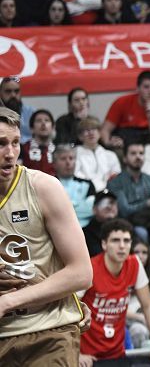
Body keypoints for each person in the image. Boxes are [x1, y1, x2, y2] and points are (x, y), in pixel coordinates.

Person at [0, 106, 92, 363]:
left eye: (16, 143)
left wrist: (9, 302)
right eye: (1, 144)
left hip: (48, 330)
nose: (10, 154)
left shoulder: (43, 187)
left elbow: (82, 273)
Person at [79, 218, 150, 367]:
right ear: (104, 244)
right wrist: (77, 353)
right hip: (88, 358)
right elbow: (70, 310)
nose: (122, 246)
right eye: (115, 240)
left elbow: (148, 306)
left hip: (118, 354)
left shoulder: (135, 264)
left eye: (126, 241)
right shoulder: (89, 269)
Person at [108, 141, 150, 244]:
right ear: (125, 158)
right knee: (141, 232)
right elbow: (124, 211)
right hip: (131, 225)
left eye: (141, 153)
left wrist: (142, 206)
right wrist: (148, 203)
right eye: (133, 153)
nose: (138, 157)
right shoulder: (116, 182)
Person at [102, 70, 150, 150]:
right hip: (124, 145)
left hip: (149, 146)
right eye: (146, 87)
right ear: (138, 88)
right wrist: (108, 143)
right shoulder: (121, 102)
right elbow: (105, 130)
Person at [75, 117, 121, 192]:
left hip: (108, 193)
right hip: (85, 193)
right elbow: (76, 177)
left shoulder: (110, 155)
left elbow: (116, 177)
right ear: (80, 136)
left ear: (99, 133)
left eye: (94, 129)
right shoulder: (74, 154)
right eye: (86, 130)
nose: (91, 133)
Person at [54, 144, 95, 225]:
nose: (68, 162)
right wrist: (78, 206)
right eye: (63, 159)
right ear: (54, 164)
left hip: (86, 229)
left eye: (71, 158)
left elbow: (92, 210)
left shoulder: (88, 184)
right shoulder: (48, 185)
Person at [20, 109, 56, 175]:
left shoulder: (58, 150)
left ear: (53, 128)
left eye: (47, 120)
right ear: (32, 129)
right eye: (39, 121)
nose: (43, 123)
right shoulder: (22, 149)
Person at [0, 76, 34, 143]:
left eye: (16, 91)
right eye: (8, 91)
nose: (13, 95)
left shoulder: (31, 113)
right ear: (0, 94)